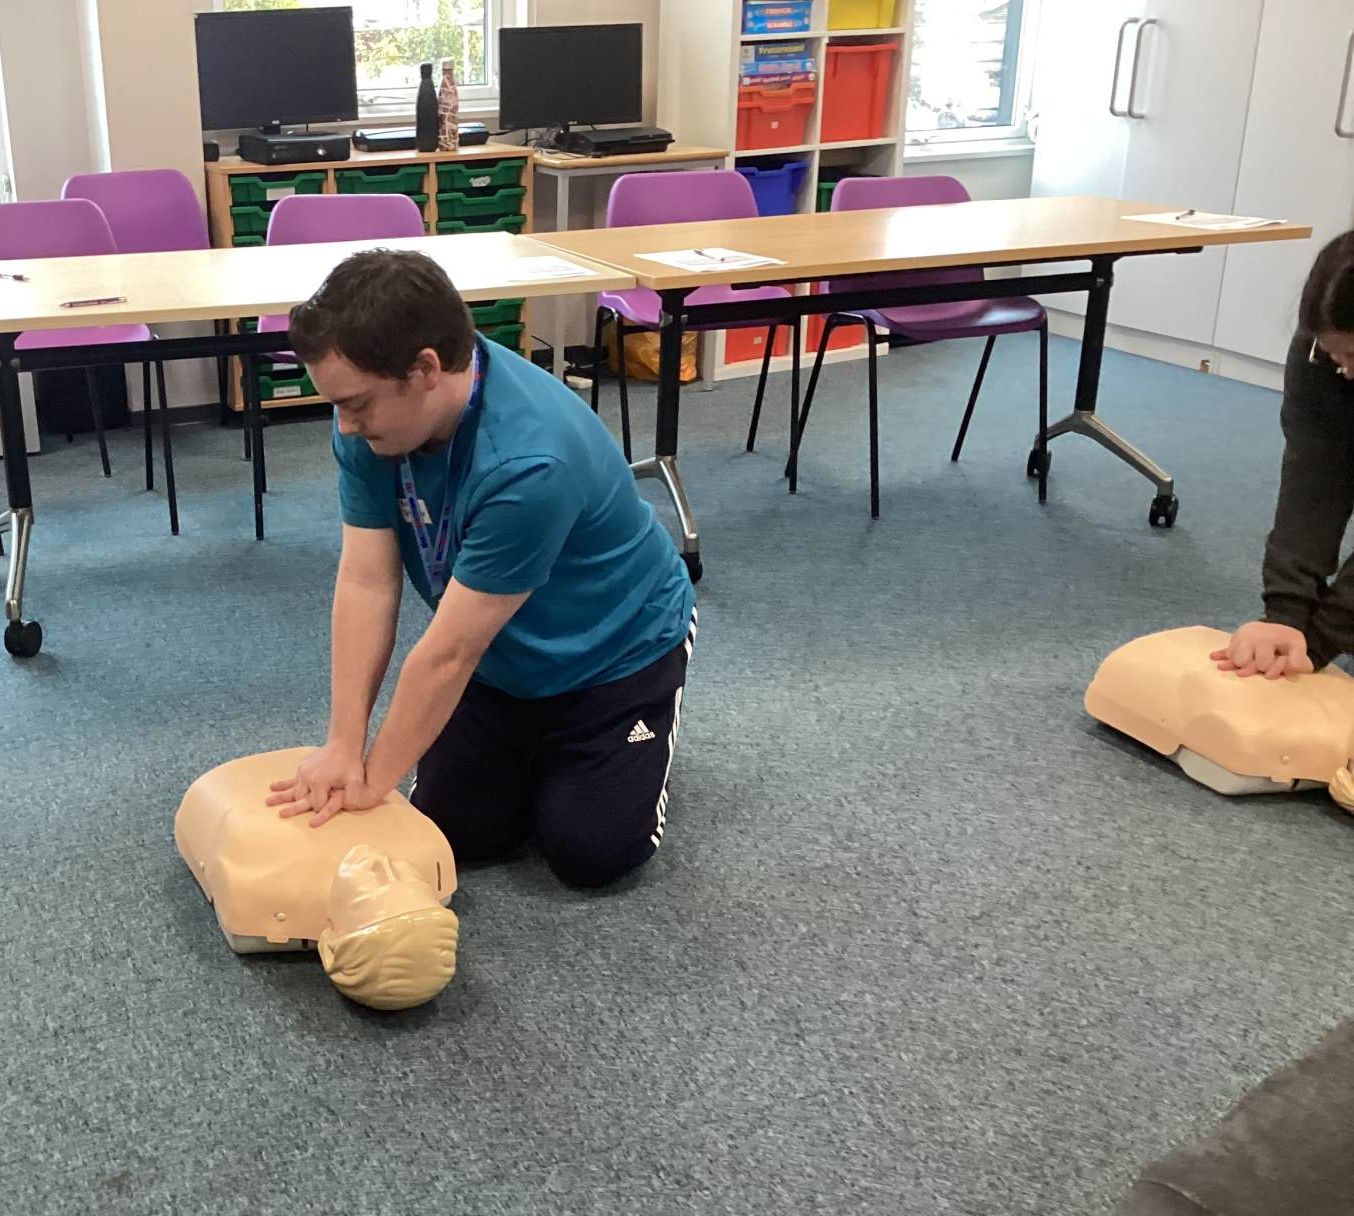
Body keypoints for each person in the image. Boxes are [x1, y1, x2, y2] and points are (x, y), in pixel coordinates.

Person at [263, 250, 697, 889]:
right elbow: (366, 581)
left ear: (425, 369)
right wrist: (343, 745)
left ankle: (629, 739)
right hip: (499, 659)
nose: (346, 426)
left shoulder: (529, 464)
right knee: (460, 832)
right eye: (339, 405)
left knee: (592, 852)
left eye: (357, 404)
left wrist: (372, 788)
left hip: (614, 658)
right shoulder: (371, 422)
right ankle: (536, 755)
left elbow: (448, 654)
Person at [1213, 232, 1354, 680]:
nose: (1346, 371)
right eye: (1337, 357)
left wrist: (1323, 637)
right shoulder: (1319, 353)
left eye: (1353, 355)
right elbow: (1314, 478)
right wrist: (1286, 616)